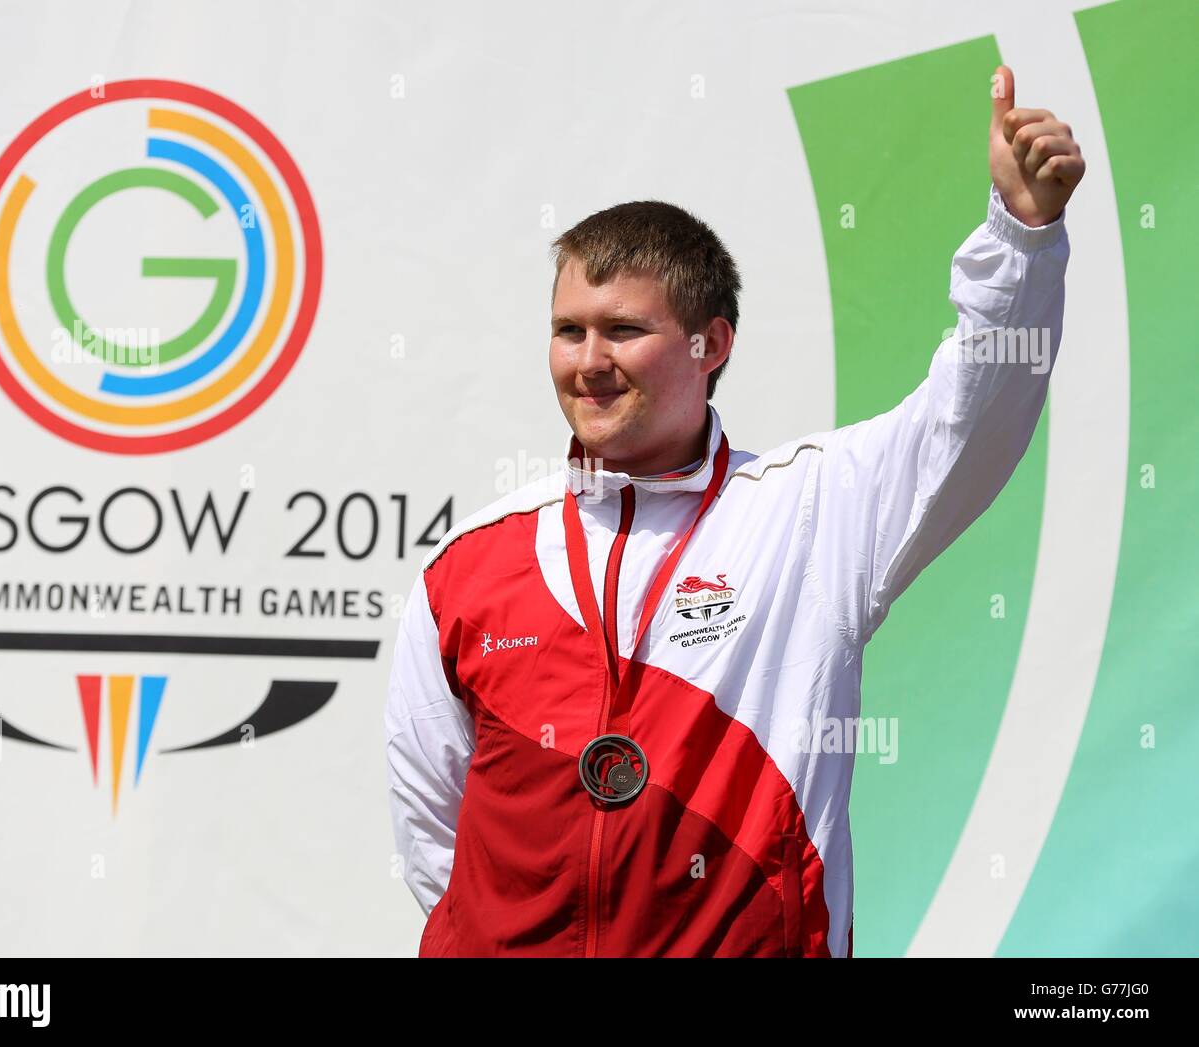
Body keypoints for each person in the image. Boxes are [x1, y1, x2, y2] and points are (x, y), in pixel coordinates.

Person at [383, 64, 1084, 957]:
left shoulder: (811, 508)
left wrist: (1021, 241)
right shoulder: (470, 567)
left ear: (711, 344)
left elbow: (974, 412)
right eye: (569, 330)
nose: (588, 361)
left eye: (623, 330)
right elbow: (437, 839)